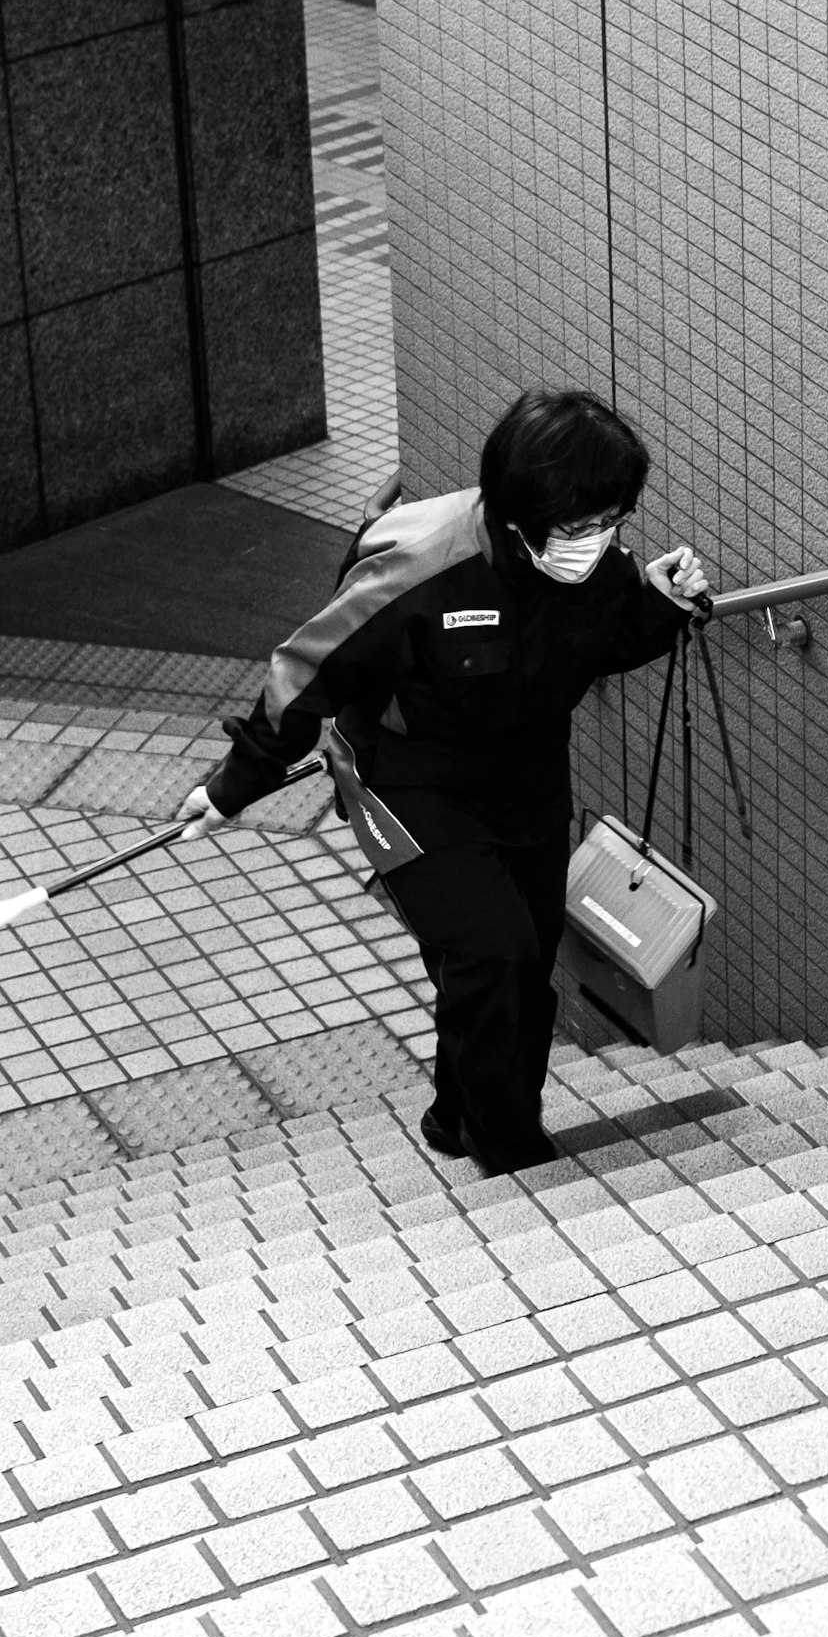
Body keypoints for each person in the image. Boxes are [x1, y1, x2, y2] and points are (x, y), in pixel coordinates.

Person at [178, 391, 716, 1174]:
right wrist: (232, 785)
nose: (596, 540)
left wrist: (660, 603)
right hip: (411, 786)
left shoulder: (601, 564)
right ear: (518, 512)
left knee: (520, 968)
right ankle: (512, 1150)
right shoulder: (424, 566)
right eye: (578, 526)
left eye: (612, 519)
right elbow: (308, 670)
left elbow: (593, 645)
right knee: (494, 952)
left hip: (526, 779)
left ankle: (454, 1113)